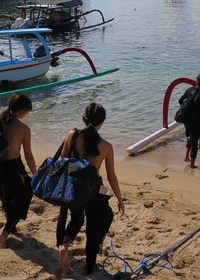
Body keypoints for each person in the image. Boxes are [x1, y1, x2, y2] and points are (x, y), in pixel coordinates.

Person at [56, 103, 125, 275]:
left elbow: (63, 161)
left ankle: (64, 245)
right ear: (102, 122)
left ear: (83, 119)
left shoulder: (72, 134)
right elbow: (111, 177)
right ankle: (89, 265)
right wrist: (119, 199)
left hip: (72, 186)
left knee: (77, 220)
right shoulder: (106, 146)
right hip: (93, 189)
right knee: (103, 218)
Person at [0, 93, 36, 249]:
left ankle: (12, 228)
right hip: (13, 166)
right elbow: (28, 155)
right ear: (21, 110)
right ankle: (5, 233)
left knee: (7, 199)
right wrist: (35, 173)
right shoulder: (23, 129)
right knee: (25, 194)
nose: (26, 115)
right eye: (26, 111)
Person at [178, 72, 200, 169]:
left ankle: (186, 157)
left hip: (186, 119)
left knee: (190, 136)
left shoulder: (189, 89)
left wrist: (188, 109)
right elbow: (198, 102)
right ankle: (192, 164)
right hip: (196, 120)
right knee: (195, 139)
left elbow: (180, 101)